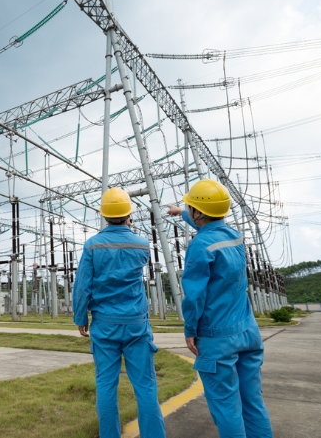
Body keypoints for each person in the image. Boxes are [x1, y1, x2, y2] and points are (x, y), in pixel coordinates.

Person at [167, 179, 273, 438]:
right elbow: (210, 226)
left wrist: (190, 329)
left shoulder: (200, 246)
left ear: (199, 212)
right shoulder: (234, 236)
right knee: (253, 402)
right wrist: (180, 213)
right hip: (248, 332)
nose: (188, 209)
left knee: (226, 408)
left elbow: (194, 296)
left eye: (189, 206)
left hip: (217, 339)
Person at [74, 188, 165, 438]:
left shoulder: (92, 246)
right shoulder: (142, 245)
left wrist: (80, 317)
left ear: (103, 215)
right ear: (129, 215)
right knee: (145, 387)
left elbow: (83, 285)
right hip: (136, 323)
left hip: (104, 325)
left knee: (105, 386)